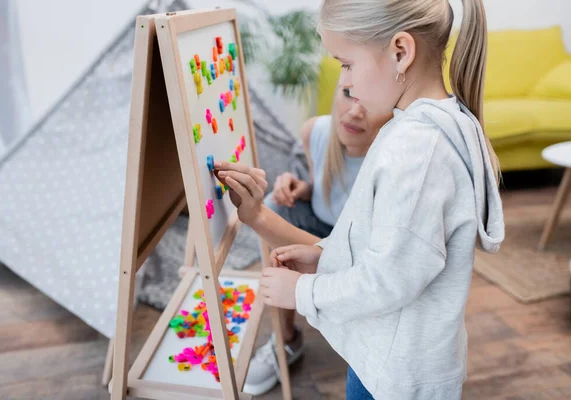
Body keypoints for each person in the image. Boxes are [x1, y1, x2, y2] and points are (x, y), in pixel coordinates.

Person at [240, 0, 506, 399]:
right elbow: (395, 248)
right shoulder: (421, 132)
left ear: (401, 52)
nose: (347, 84)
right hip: (388, 358)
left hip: (396, 376)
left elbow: (389, 280)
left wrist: (300, 292)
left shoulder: (417, 151)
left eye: (347, 64)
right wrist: (325, 256)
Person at [215, 83, 389, 396]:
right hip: (327, 228)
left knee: (268, 214)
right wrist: (304, 188)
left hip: (360, 251)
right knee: (278, 205)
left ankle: (353, 334)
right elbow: (333, 190)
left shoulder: (389, 163)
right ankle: (286, 339)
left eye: (370, 99)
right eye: (348, 92)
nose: (354, 110)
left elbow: (357, 254)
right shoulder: (316, 132)